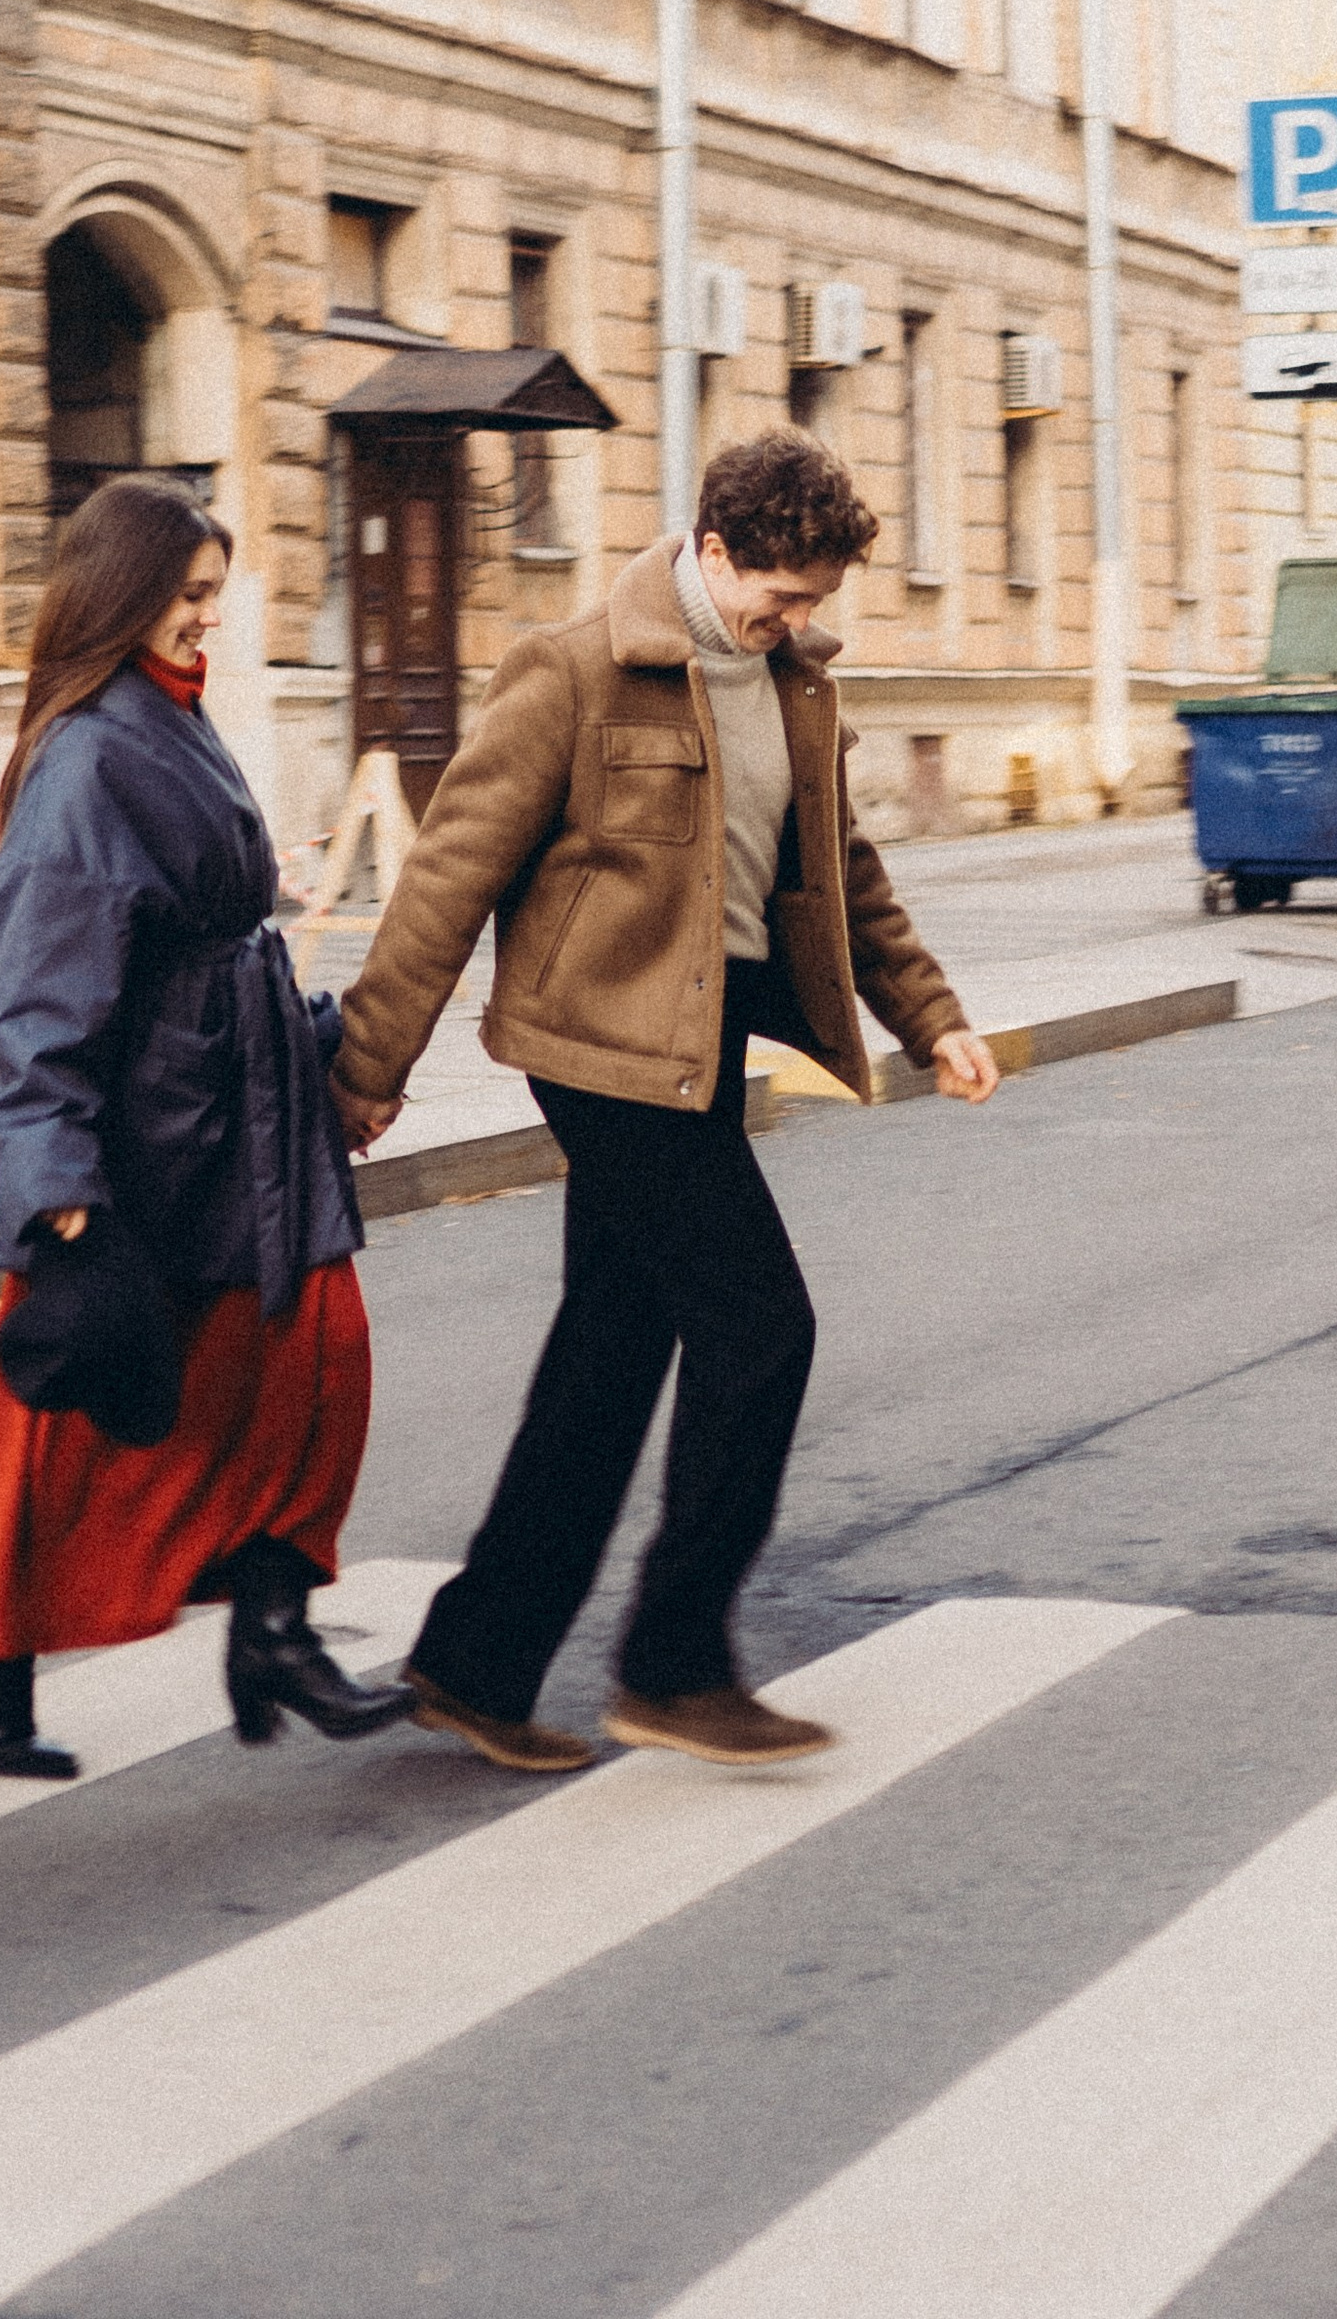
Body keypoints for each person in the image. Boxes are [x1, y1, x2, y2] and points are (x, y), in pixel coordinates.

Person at [332, 427, 999, 1774]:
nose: (797, 623)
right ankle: (674, 1664)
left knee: (611, 1355)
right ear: (709, 551)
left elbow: (843, 872)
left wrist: (930, 1016)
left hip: (693, 1060)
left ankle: (476, 1661)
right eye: (779, 596)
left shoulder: (794, 684)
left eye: (815, 603)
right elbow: (447, 876)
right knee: (764, 1329)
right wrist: (366, 1068)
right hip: (598, 1054)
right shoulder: (578, 672)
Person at [0, 473, 413, 1780]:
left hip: (235, 1123)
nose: (210, 622)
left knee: (317, 1367)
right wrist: (57, 1177)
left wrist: (319, 1059)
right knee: (76, 1435)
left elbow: (224, 948)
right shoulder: (89, 754)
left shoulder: (165, 717)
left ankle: (277, 1631)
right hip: (144, 1152)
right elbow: (38, 991)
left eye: (215, 597)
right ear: (124, 595)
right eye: (190, 599)